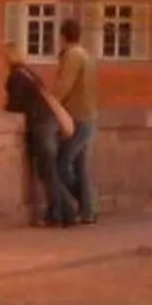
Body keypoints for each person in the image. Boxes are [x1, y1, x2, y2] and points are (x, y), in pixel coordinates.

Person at [4, 58, 71, 225]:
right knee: (50, 171)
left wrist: (4, 111)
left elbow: (15, 104)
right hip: (50, 122)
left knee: (48, 172)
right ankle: (65, 211)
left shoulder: (16, 77)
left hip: (41, 125)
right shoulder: (31, 74)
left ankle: (60, 213)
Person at [51, 16, 99, 225]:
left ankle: (86, 203)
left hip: (76, 117)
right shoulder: (87, 55)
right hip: (89, 115)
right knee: (80, 166)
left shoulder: (72, 56)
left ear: (63, 36)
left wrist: (49, 102)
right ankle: (88, 210)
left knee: (63, 163)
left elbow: (63, 86)